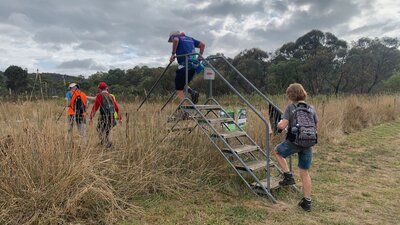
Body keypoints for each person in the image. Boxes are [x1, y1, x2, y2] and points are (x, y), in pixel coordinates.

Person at [273, 83, 318, 212]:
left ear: (291, 95)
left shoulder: (290, 108)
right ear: (303, 93)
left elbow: (282, 126)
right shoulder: (311, 108)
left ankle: (288, 176)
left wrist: (279, 123)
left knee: (277, 151)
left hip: (294, 142)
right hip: (308, 143)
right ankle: (307, 202)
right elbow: (315, 128)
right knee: (305, 172)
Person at [168, 31, 205, 105]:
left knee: (178, 89)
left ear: (172, 37)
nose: (172, 42)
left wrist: (173, 54)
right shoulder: (190, 39)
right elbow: (202, 45)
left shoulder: (176, 37)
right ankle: (192, 92)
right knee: (183, 83)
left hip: (184, 66)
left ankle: (185, 108)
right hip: (193, 66)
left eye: (171, 40)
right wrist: (200, 55)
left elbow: (176, 40)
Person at [89, 82, 122, 148]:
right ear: (107, 88)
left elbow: (95, 108)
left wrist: (91, 118)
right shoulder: (111, 96)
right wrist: (120, 118)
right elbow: (116, 108)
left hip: (104, 117)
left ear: (100, 89)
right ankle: (104, 144)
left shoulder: (100, 95)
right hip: (112, 118)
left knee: (99, 130)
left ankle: (109, 146)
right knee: (106, 131)